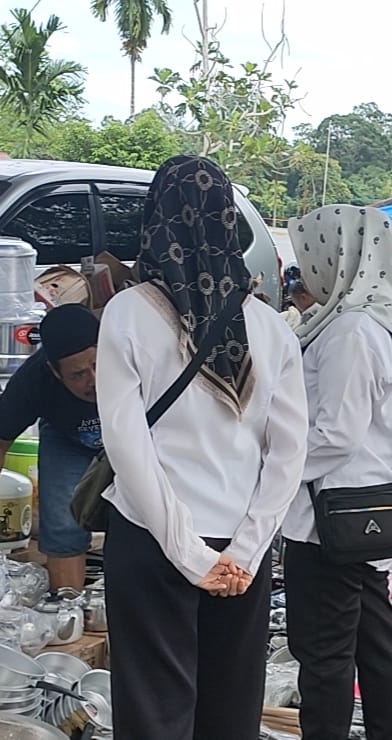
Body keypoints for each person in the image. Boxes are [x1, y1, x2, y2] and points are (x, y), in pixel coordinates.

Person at [97, 156, 309, 739]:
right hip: (241, 548)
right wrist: (244, 548)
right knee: (231, 708)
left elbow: (127, 441)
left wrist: (188, 553)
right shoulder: (270, 326)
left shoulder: (128, 313)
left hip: (150, 539)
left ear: (156, 218)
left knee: (153, 709)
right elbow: (289, 453)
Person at [283, 204, 392, 740]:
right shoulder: (381, 322)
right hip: (362, 513)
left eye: (311, 259)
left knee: (324, 654)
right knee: (373, 638)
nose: (307, 272)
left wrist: (273, 472)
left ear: (339, 256)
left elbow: (337, 435)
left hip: (331, 519)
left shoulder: (350, 330)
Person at [0, 304, 101, 590]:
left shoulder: (137, 356)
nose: (93, 381)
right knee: (62, 523)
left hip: (139, 434)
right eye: (78, 375)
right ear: (55, 373)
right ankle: (67, 611)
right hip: (67, 439)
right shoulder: (31, 382)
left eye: (97, 365)